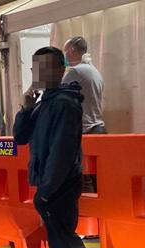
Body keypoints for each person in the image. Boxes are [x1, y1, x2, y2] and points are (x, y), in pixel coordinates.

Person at [14, 46, 100, 248]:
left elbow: (61, 153)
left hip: (59, 184)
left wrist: (46, 192)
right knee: (68, 236)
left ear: (60, 70)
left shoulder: (63, 103)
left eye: (46, 67)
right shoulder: (45, 100)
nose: (39, 74)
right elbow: (21, 138)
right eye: (35, 68)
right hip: (56, 182)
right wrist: (26, 108)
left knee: (61, 244)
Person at [63, 36, 106, 194]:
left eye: (65, 52)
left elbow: (56, 93)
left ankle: (86, 217)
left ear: (72, 51)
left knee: (85, 180)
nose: (65, 56)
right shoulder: (94, 70)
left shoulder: (76, 71)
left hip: (86, 130)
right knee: (99, 179)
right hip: (98, 127)